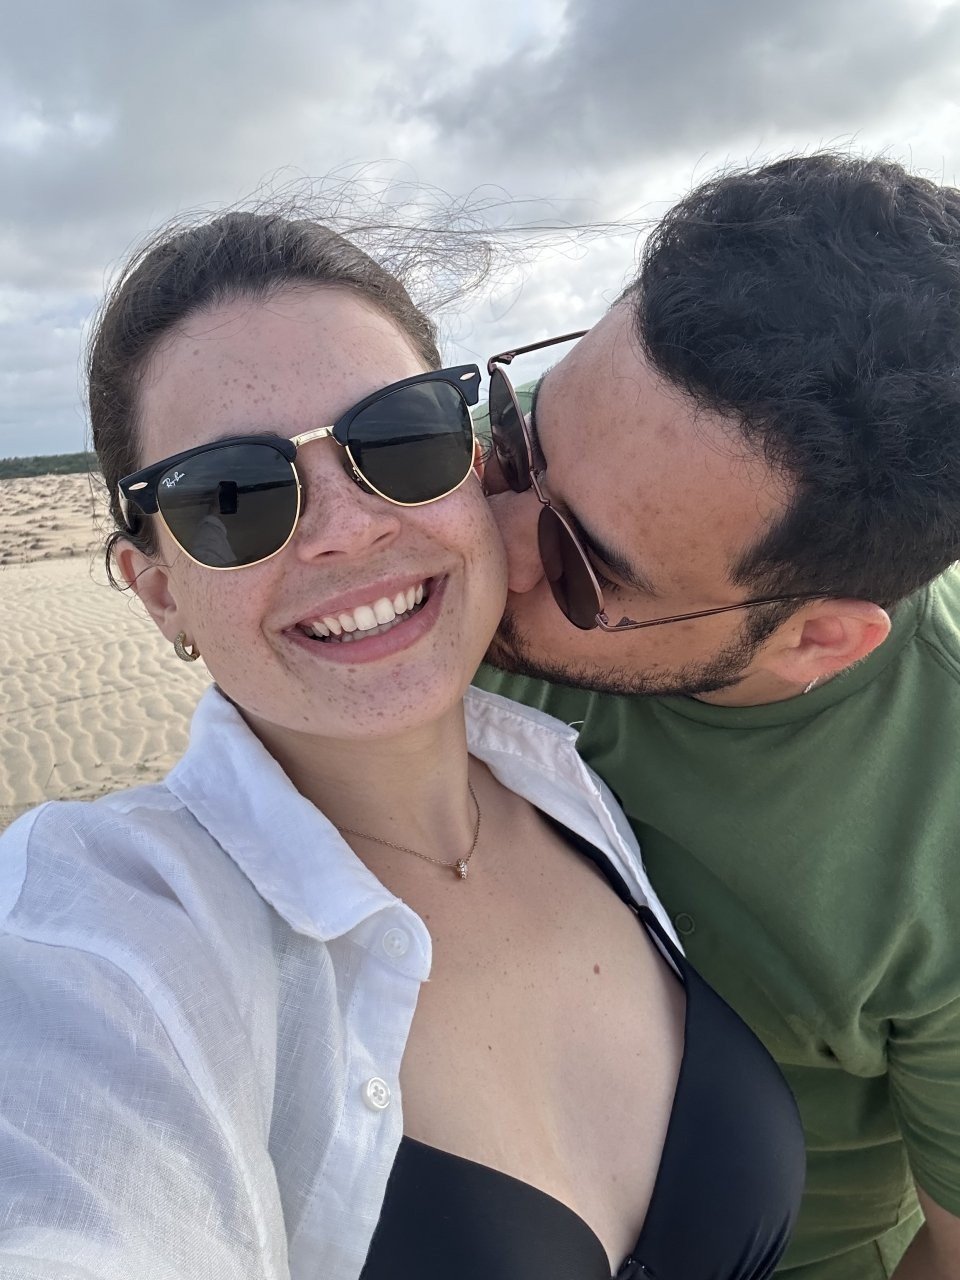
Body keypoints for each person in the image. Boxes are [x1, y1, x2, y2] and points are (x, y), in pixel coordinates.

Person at [0, 211, 804, 1280]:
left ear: (476, 467)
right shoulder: (106, 927)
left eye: (400, 438)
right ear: (159, 592)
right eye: (232, 496)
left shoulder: (565, 781)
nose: (349, 527)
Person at [475, 151, 960, 1280]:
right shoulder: (470, 544)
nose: (489, 548)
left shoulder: (939, 830)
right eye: (514, 440)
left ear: (816, 639)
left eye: (583, 568)